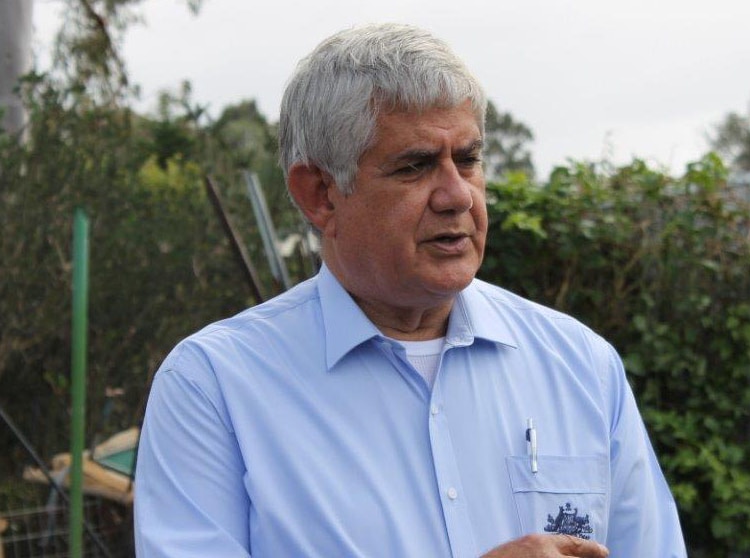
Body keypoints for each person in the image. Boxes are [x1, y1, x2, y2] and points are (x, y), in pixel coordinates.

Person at [133, 23, 687, 558]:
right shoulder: (213, 389)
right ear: (321, 194)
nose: (458, 196)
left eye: (467, 160)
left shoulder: (581, 365)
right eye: (416, 166)